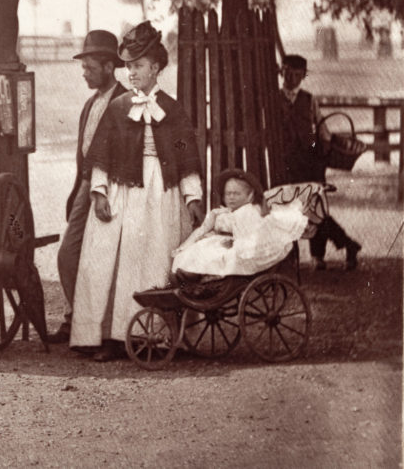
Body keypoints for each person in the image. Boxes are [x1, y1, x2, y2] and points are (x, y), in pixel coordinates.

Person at [70, 22, 205, 361]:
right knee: (106, 258)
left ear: (156, 68)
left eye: (139, 66)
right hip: (122, 191)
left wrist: (192, 198)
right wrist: (99, 192)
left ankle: (155, 335)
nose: (132, 73)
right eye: (128, 66)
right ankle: (108, 336)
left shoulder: (172, 110)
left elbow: (186, 156)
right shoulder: (118, 108)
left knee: (153, 258)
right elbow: (101, 153)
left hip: (160, 194)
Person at [48, 30, 126, 343]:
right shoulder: (91, 104)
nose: (85, 74)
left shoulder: (123, 102)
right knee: (69, 255)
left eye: (90, 68)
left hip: (109, 185)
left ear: (109, 67)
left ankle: (97, 329)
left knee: (102, 258)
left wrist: (102, 189)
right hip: (86, 184)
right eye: (83, 68)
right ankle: (74, 319)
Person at [277, 54, 361, 270]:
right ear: (281, 72)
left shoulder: (309, 99)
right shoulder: (274, 98)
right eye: (288, 72)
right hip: (286, 162)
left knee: (316, 210)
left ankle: (319, 256)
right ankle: (292, 255)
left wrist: (323, 146)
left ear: (304, 76)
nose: (292, 78)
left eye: (297, 74)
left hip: (310, 162)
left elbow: (322, 129)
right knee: (287, 208)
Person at [171, 169, 305, 279]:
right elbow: (203, 229)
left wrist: (235, 243)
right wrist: (187, 245)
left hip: (241, 248)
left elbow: (249, 237)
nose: (231, 197)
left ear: (249, 196)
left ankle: (202, 276)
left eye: (236, 194)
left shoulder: (247, 212)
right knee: (198, 249)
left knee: (214, 254)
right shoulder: (220, 213)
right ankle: (190, 274)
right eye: (228, 194)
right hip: (222, 242)